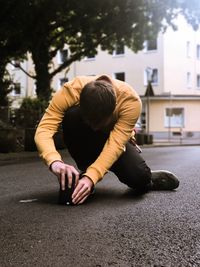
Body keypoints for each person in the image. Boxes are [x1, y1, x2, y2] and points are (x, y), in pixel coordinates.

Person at [34, 75, 179, 205]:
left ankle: (149, 179)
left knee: (139, 179)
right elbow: (44, 129)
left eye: (98, 123)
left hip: (115, 139)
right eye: (89, 121)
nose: (94, 128)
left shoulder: (130, 101)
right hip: (82, 135)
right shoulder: (71, 91)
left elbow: (114, 146)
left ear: (113, 110)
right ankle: (85, 171)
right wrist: (54, 161)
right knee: (71, 115)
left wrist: (92, 177)